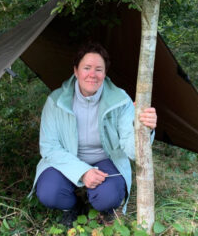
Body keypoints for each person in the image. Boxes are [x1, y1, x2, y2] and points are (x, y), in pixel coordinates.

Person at [31, 42, 157, 226]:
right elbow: (49, 147)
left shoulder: (120, 100)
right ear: (76, 71)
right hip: (68, 157)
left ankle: (102, 207)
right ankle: (72, 208)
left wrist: (144, 129)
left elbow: (133, 151)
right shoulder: (56, 100)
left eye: (99, 69)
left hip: (106, 160)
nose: (92, 74)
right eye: (87, 68)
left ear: (105, 73)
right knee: (49, 192)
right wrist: (82, 172)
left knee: (109, 197)